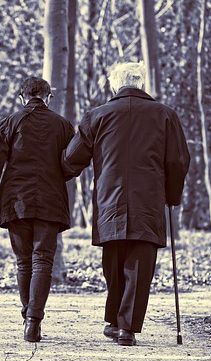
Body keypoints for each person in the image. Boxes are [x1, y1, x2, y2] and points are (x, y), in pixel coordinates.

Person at [62, 62, 190, 346]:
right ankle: (125, 327)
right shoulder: (165, 116)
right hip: (148, 200)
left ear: (115, 85)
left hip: (111, 199)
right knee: (140, 264)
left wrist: (60, 171)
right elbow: (178, 161)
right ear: (142, 83)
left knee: (114, 261)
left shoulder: (97, 116)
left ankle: (116, 322)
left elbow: (72, 158)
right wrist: (172, 195)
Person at [0, 77, 74, 342]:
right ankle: (33, 322)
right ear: (48, 97)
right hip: (50, 200)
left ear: (22, 98)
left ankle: (27, 316)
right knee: (43, 260)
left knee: (24, 261)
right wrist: (58, 173)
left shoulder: (10, 123)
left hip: (16, 200)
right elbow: (72, 163)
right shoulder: (62, 125)